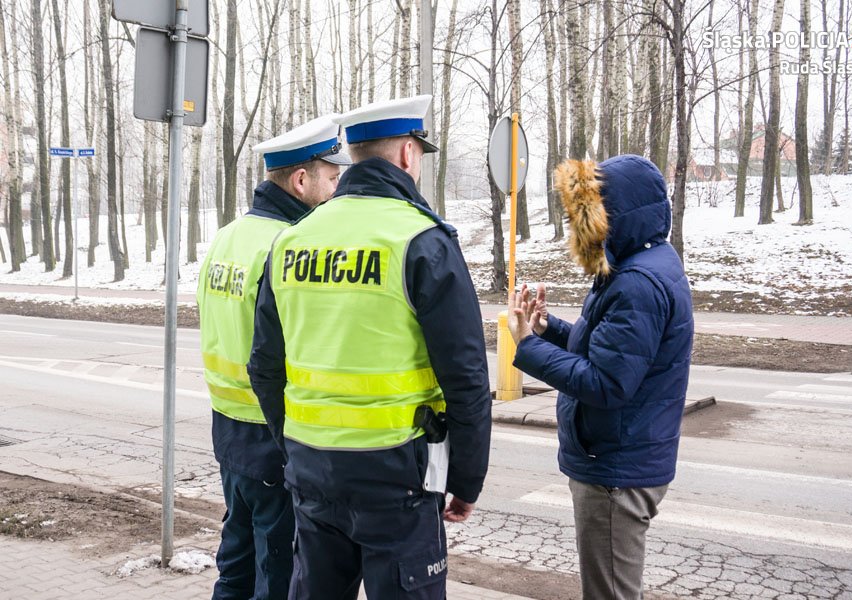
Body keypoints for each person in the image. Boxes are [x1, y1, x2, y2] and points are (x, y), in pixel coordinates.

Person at [248, 96, 491, 600]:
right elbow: (465, 377)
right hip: (396, 479)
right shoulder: (421, 240)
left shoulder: (292, 241)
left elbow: (265, 367)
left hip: (312, 472)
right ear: (407, 154)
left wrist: (294, 445)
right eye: (420, 153)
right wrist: (466, 480)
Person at [507, 155, 694, 599]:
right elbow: (611, 355)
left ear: (617, 214)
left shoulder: (636, 284)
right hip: (618, 461)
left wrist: (527, 347)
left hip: (615, 472)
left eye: (584, 214)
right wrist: (547, 330)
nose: (577, 225)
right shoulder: (640, 267)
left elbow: (607, 384)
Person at [197, 115, 351, 600]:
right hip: (275, 432)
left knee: (237, 558)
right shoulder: (287, 246)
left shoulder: (227, 237)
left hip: (229, 430)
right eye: (331, 178)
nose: (336, 189)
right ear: (301, 181)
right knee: (278, 569)